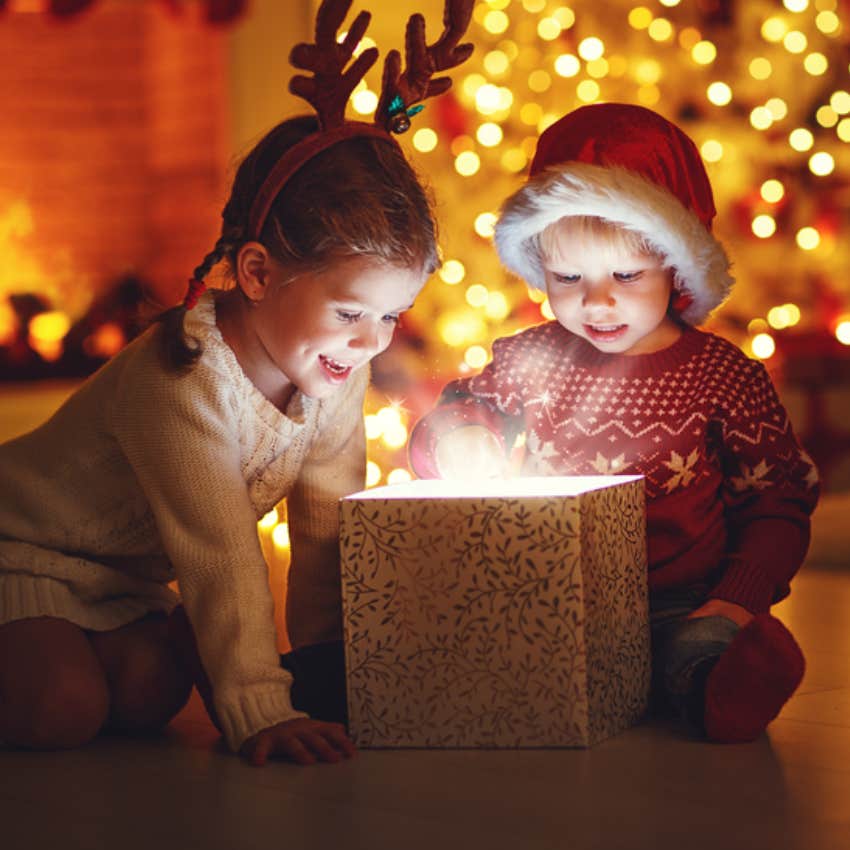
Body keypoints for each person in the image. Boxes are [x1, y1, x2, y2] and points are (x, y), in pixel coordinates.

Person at [0, 0, 473, 765]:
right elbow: (220, 551)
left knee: (151, 696)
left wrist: (317, 683)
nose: (371, 340)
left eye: (393, 315)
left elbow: (323, 531)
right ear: (256, 273)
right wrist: (259, 709)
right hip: (20, 549)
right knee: (63, 710)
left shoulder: (331, 371)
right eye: (351, 310)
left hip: (127, 584)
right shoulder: (180, 380)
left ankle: (176, 641)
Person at [409, 103, 820, 743]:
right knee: (465, 645)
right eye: (567, 277)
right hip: (547, 592)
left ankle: (720, 685)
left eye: (626, 276)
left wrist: (739, 595)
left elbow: (779, 499)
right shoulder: (528, 358)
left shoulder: (721, 375)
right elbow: (452, 416)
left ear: (674, 269)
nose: (595, 301)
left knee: (690, 653)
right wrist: (461, 438)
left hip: (684, 602)